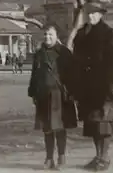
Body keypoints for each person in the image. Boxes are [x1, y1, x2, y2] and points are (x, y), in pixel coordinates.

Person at [73, 0, 113, 171]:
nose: (91, 16)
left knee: (104, 123)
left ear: (101, 14)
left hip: (104, 86)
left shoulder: (109, 34)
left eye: (94, 13)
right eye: (88, 13)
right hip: (87, 87)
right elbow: (76, 59)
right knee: (93, 123)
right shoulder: (81, 34)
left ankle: (104, 158)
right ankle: (98, 156)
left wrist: (111, 85)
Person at [28, 24, 77, 170]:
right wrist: (33, 92)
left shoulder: (64, 53)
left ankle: (61, 157)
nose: (47, 37)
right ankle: (49, 158)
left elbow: (72, 76)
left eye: (50, 34)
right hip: (43, 95)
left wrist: (71, 92)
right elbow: (34, 75)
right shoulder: (39, 54)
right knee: (47, 128)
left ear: (57, 36)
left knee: (60, 127)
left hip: (60, 96)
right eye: (45, 34)